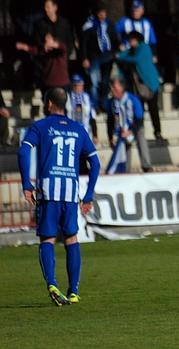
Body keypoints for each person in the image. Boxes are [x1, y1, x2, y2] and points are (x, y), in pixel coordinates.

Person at [17, 88, 100, 306]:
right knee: (72, 239)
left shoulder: (41, 126)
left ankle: (52, 283)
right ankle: (73, 291)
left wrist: (27, 183)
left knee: (48, 239)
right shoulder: (78, 129)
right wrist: (88, 194)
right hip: (71, 194)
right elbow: (96, 163)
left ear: (50, 104)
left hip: (48, 191)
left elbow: (23, 151)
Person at [116, 31, 164, 141]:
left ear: (137, 39)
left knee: (153, 109)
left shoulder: (144, 47)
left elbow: (135, 59)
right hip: (139, 87)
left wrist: (121, 56)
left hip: (150, 84)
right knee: (139, 110)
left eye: (131, 40)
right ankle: (138, 132)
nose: (130, 42)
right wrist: (120, 53)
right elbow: (121, 55)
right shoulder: (133, 49)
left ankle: (157, 132)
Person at [104, 78, 152, 173]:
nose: (112, 90)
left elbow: (139, 118)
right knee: (123, 144)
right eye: (112, 88)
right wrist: (110, 137)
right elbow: (110, 120)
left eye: (115, 87)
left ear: (121, 88)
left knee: (140, 137)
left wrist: (130, 131)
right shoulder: (112, 102)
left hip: (134, 127)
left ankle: (146, 165)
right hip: (121, 130)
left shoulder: (132, 99)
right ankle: (125, 169)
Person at [81, 3, 118, 110]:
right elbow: (84, 43)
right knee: (94, 82)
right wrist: (84, 58)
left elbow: (115, 39)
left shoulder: (110, 24)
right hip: (94, 58)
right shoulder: (89, 25)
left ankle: (104, 104)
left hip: (108, 57)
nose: (102, 15)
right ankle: (95, 105)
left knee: (105, 82)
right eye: (100, 13)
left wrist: (115, 52)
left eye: (104, 13)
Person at [66, 75, 98, 144]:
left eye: (79, 85)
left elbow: (92, 116)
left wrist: (95, 135)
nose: (77, 87)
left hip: (85, 131)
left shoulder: (87, 98)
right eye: (75, 85)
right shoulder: (67, 97)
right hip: (71, 132)